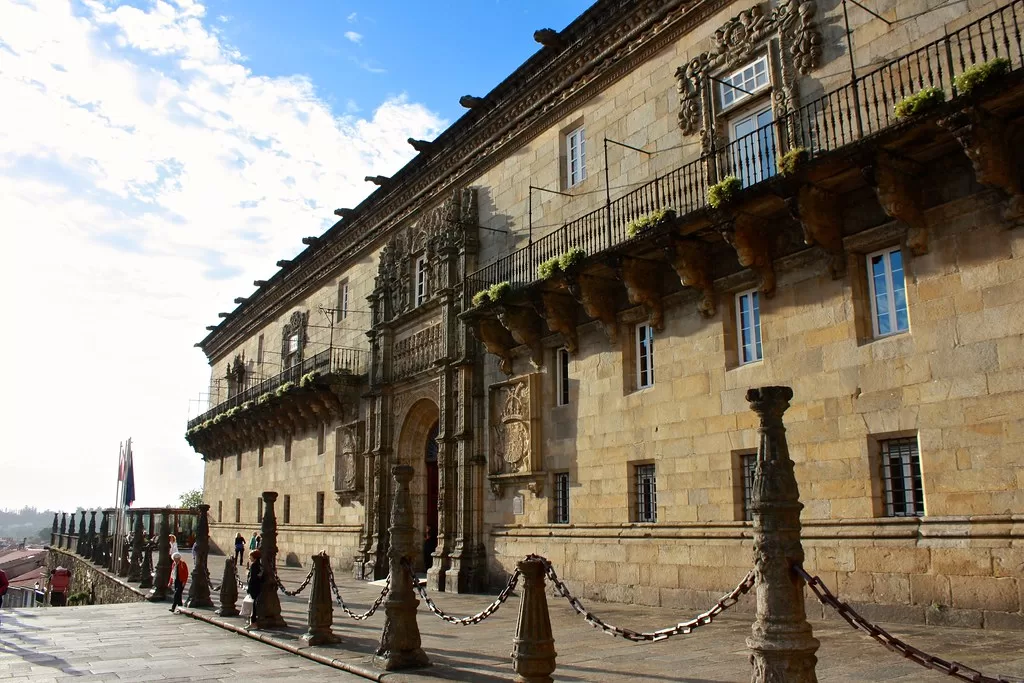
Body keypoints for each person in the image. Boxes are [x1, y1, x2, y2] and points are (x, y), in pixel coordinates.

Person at [245, 549, 262, 627]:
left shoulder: (254, 565)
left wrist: (249, 588)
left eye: (250, 556)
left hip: (253, 587)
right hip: (258, 586)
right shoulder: (259, 565)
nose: (249, 558)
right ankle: (252, 621)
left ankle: (253, 622)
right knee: (254, 604)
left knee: (252, 605)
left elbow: (252, 578)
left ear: (254, 557)